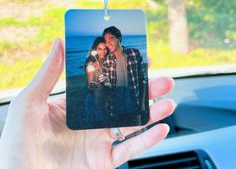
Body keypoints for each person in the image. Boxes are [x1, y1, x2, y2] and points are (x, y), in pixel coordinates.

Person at [0, 38, 176, 168]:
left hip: (105, 96)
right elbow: (92, 81)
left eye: (103, 49)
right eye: (98, 49)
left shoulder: (107, 61)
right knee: (94, 114)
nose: (101, 51)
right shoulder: (92, 62)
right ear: (94, 49)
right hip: (94, 95)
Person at [102, 26, 148, 125]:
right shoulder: (107, 60)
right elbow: (105, 83)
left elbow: (143, 80)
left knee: (137, 135)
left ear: (119, 38)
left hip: (134, 106)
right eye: (106, 41)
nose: (108, 43)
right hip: (115, 109)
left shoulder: (134, 53)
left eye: (111, 39)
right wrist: (104, 82)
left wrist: (142, 104)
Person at [84, 37, 111, 126]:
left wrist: (107, 81)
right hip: (95, 99)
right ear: (95, 49)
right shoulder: (91, 63)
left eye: (105, 49)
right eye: (100, 49)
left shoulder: (105, 60)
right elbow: (90, 85)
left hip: (105, 98)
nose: (103, 52)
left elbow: (108, 83)